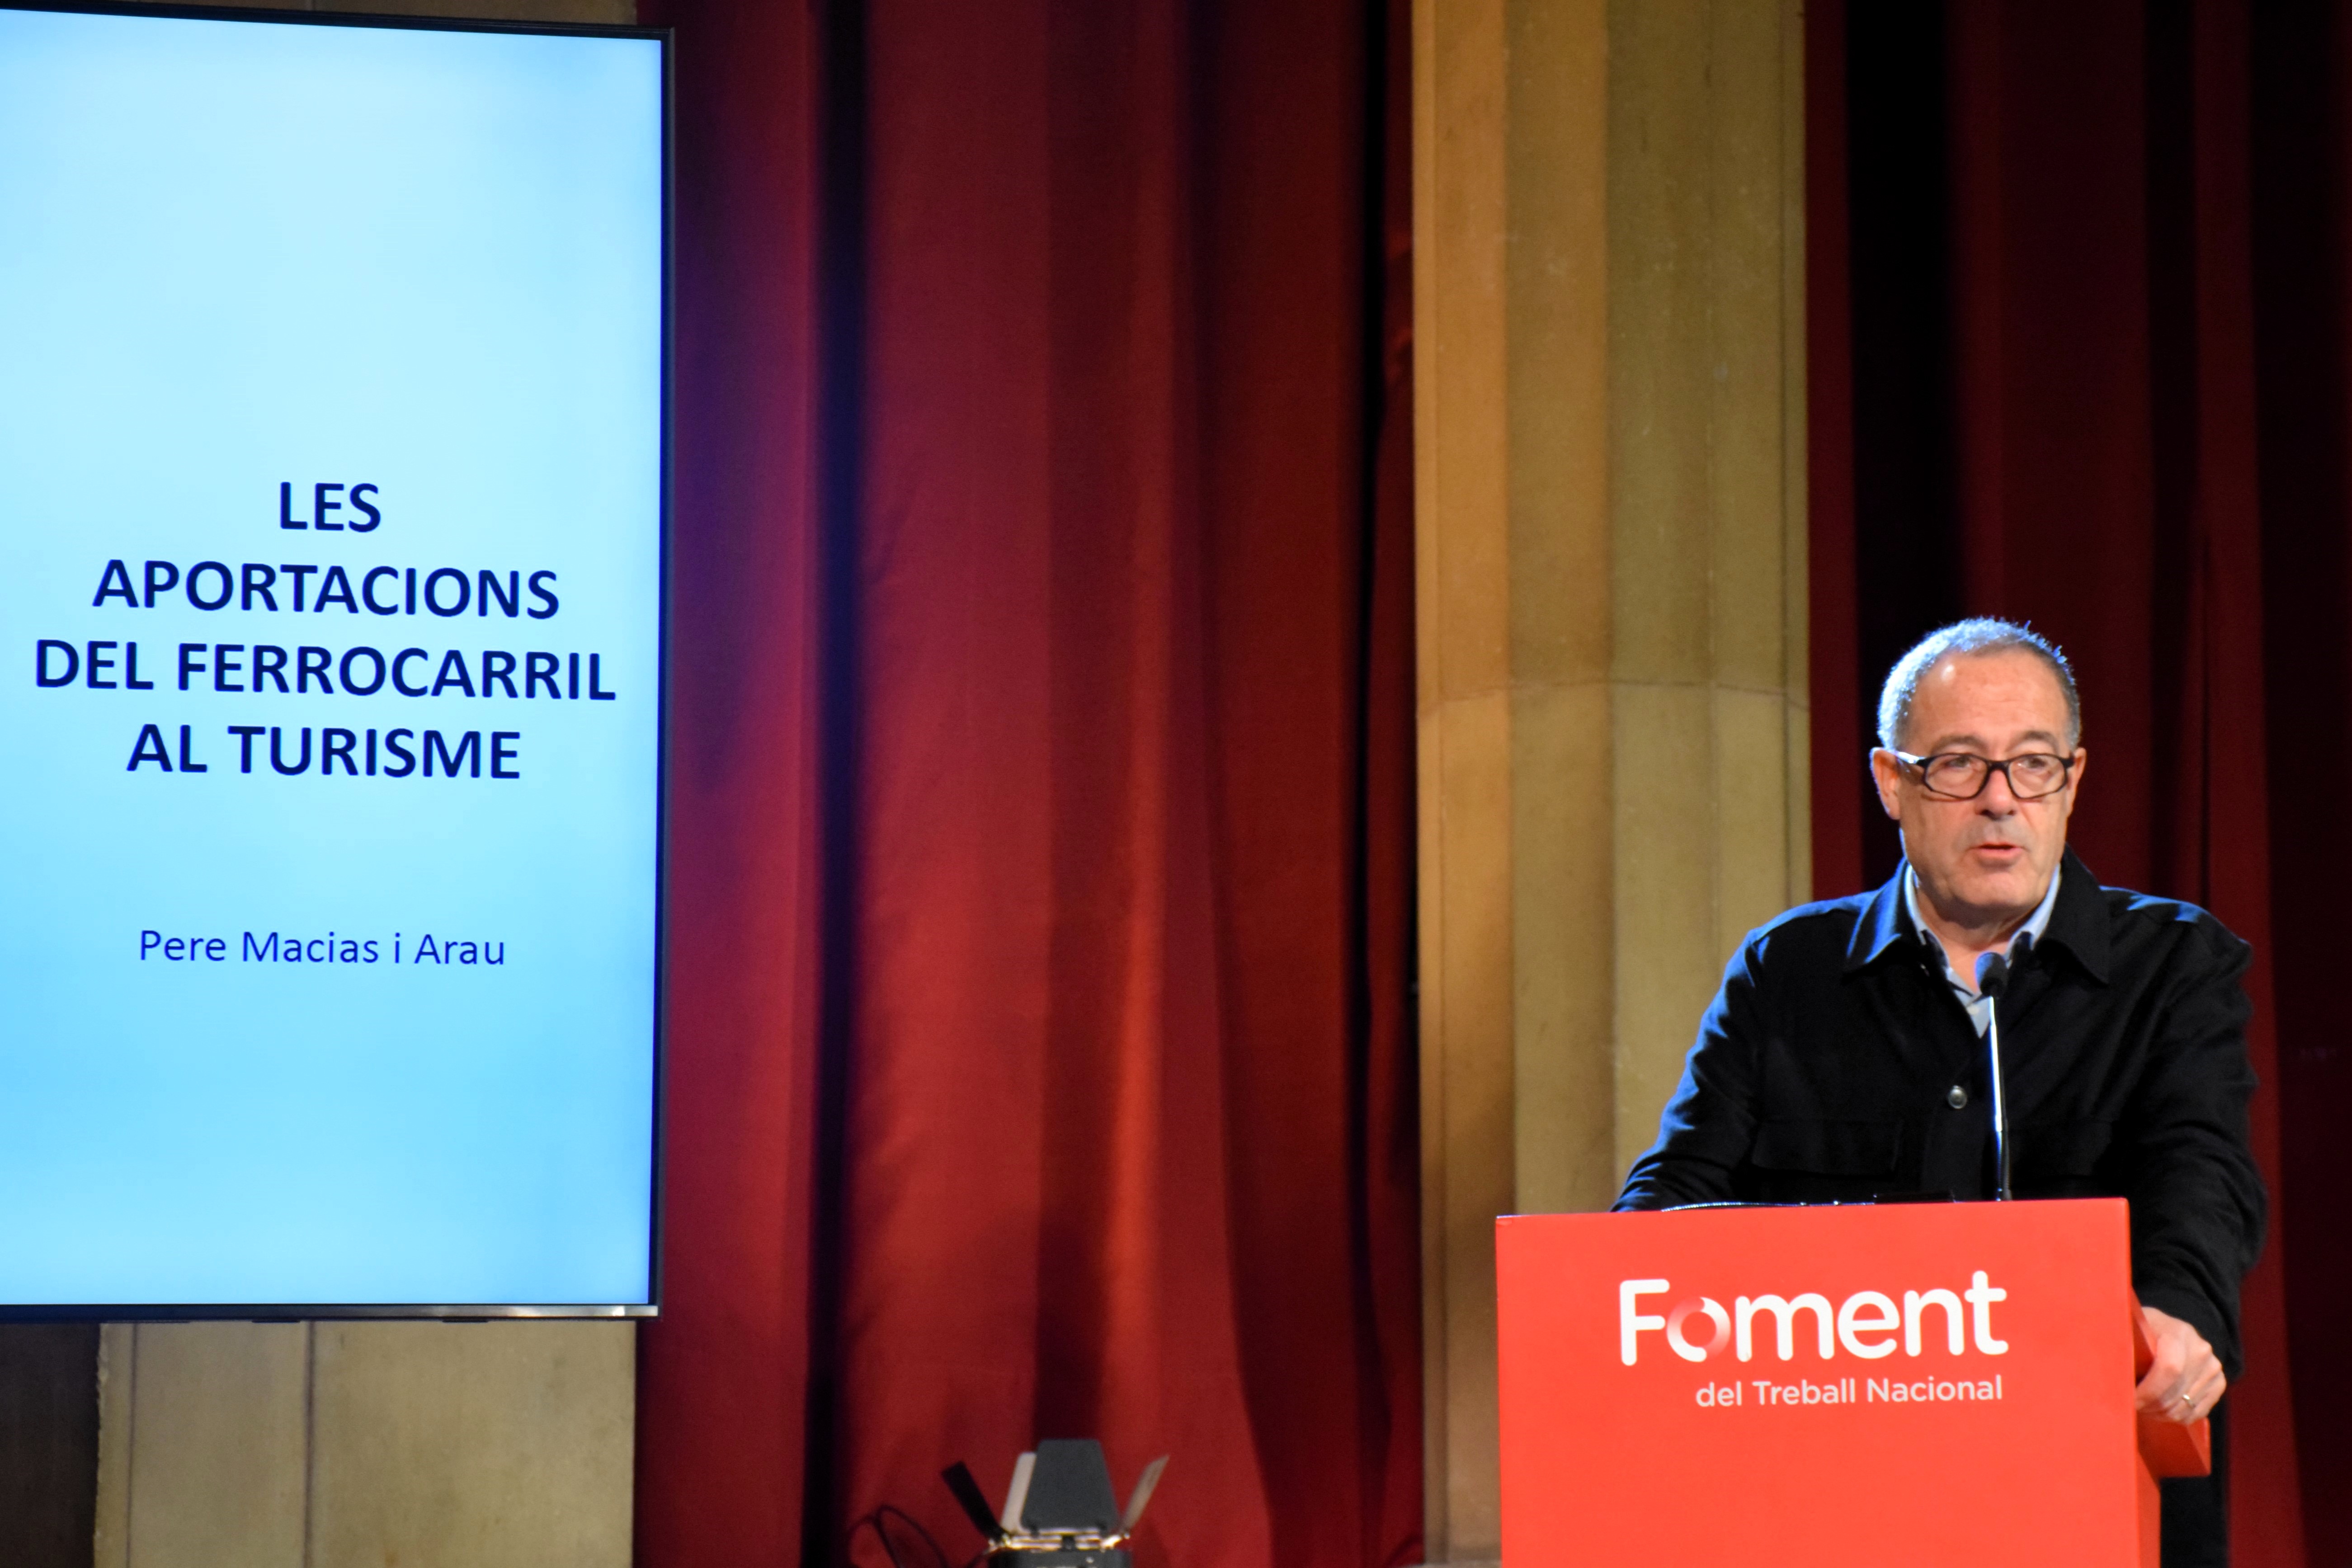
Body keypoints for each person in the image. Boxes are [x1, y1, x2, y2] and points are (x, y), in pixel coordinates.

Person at [1616, 618, 2263, 1564]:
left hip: (2096, 1473)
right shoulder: (1784, 973)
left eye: (2033, 765)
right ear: (1891, 781)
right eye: (1958, 764)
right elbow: (1667, 1208)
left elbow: (2202, 1173)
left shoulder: (2173, 961)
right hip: (1840, 1495)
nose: (2000, 801)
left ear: (2072, 780)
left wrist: (2180, 1309)